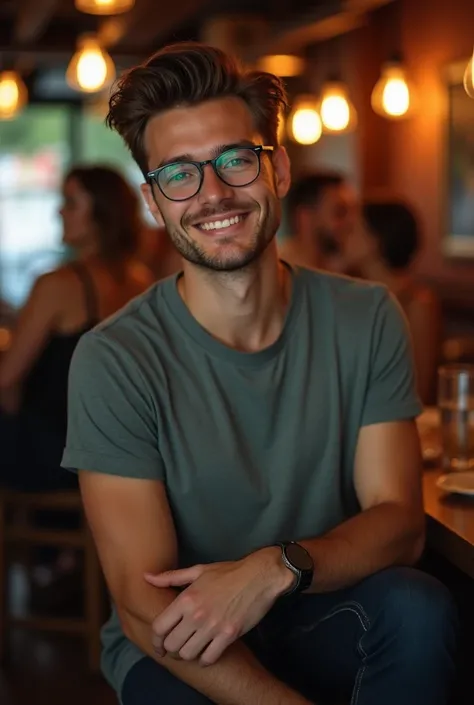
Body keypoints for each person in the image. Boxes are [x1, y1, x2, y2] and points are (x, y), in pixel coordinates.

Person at [62, 43, 457, 705]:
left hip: (315, 601)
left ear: (277, 172)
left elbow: (400, 522)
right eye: (180, 175)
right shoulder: (116, 357)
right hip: (177, 636)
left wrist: (277, 566)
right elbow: (142, 600)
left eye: (235, 160)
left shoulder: (365, 315)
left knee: (418, 606)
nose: (214, 192)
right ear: (154, 203)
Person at [0, 165, 154, 584]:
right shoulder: (142, 282)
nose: (58, 213)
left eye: (69, 203)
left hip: (56, 456)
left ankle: (47, 561)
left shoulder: (57, 283)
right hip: (117, 451)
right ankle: (61, 561)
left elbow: (7, 380)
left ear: (99, 215)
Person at [339, 199, 442, 405]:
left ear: (374, 241)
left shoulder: (417, 303)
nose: (342, 236)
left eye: (352, 229)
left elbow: (418, 388)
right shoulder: (350, 295)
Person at [279, 170, 359, 272]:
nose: (351, 222)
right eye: (339, 212)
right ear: (305, 218)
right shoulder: (281, 273)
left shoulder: (346, 269)